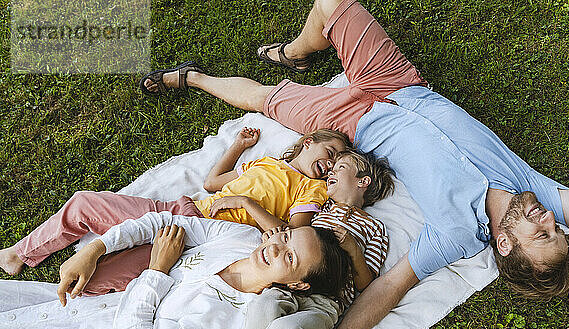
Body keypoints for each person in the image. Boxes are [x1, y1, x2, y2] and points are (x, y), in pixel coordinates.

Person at [139, 0, 569, 329]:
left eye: (542, 233)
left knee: (265, 100)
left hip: (350, 124)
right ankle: (298, 50)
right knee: (333, 3)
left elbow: (386, 290)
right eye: (558, 229)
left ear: (503, 243)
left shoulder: (456, 232)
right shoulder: (531, 188)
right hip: (398, 83)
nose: (550, 219)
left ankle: (194, 76)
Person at [0, 211, 351, 329]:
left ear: (296, 285)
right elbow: (163, 225)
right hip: (98, 307)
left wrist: (157, 270)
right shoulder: (242, 239)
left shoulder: (236, 322)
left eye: (288, 257)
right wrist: (95, 250)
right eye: (285, 237)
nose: (274, 247)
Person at [0, 127, 348, 299]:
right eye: (330, 151)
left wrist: (247, 204)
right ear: (308, 141)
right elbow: (213, 182)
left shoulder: (311, 189)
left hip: (208, 242)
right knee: (83, 203)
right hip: (188, 209)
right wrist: (238, 146)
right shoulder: (268, 162)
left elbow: (287, 231)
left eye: (336, 162)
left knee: (101, 278)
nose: (330, 163)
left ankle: (51, 299)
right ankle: (19, 253)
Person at [222, 149, 395, 329]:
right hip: (289, 284)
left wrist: (354, 250)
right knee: (263, 308)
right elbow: (292, 232)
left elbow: (365, 284)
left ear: (363, 182)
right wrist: (276, 239)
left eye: (341, 168)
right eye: (332, 168)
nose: (331, 172)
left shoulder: (374, 227)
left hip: (328, 300)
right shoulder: (320, 206)